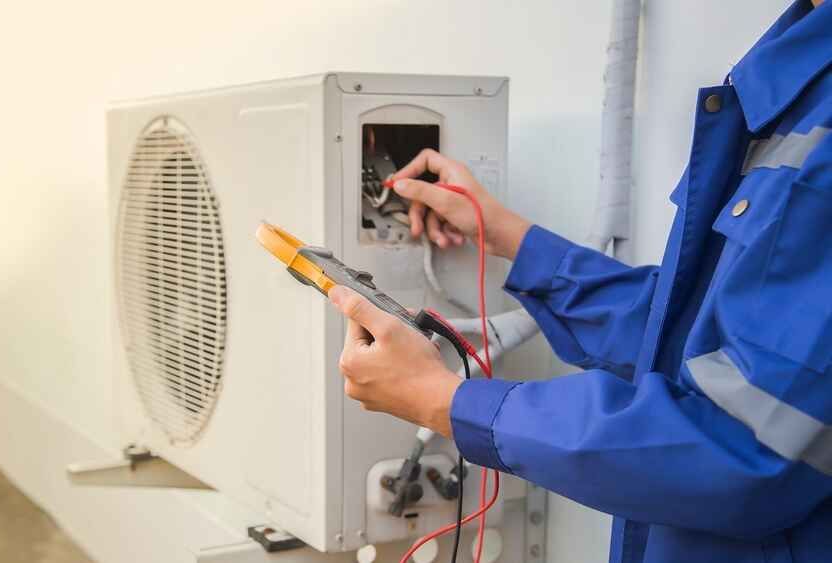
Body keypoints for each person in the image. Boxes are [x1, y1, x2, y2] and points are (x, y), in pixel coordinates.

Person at [328, 1, 832, 562]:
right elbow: (692, 329)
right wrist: (513, 240)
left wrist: (446, 400)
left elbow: (740, 445)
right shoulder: (793, 71)